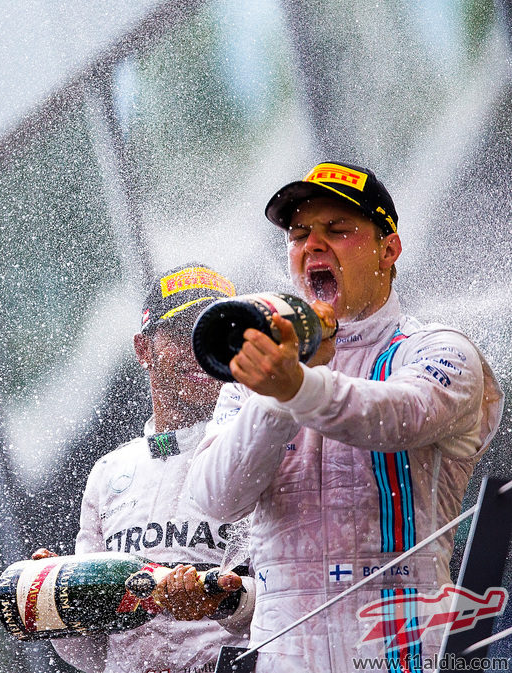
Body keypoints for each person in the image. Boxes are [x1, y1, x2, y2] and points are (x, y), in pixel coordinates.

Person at [190, 161, 504, 671]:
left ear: (389, 249)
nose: (313, 245)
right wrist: (277, 395)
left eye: (338, 230)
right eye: (299, 235)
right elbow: (214, 497)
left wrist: (298, 386)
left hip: (407, 654)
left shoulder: (437, 350)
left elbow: (394, 417)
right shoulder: (261, 376)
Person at [34, 263, 257, 673]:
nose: (200, 349)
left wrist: (221, 599)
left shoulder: (255, 449)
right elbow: (93, 653)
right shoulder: (108, 471)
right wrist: (55, 601)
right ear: (143, 349)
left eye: (215, 334)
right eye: (181, 332)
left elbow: (292, 596)